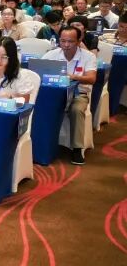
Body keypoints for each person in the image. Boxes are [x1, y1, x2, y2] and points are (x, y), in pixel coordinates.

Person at [41, 26, 97, 165]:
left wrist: (72, 77)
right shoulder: (51, 55)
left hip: (78, 93)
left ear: (78, 41)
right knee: (40, 107)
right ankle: (42, 144)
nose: (66, 45)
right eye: (63, 41)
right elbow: (38, 74)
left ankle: (77, 148)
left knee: (76, 110)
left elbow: (92, 79)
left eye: (70, 41)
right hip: (54, 94)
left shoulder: (88, 56)